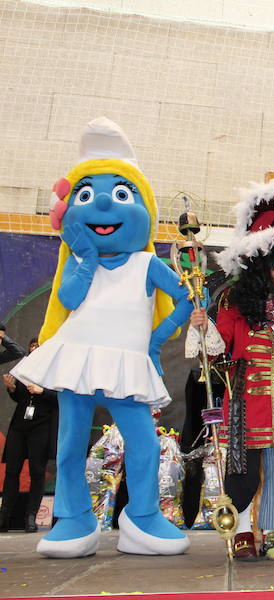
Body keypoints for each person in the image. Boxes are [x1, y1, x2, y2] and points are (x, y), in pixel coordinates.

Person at [12, 117, 192, 558]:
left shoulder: (146, 264)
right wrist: (86, 257)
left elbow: (186, 299)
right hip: (78, 356)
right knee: (70, 441)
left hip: (126, 361)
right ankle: (74, 519)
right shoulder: (77, 261)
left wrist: (156, 338)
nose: (105, 207)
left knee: (144, 442)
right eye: (87, 194)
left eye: (122, 193)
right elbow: (70, 297)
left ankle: (143, 516)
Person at [198, 178, 274, 561]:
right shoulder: (236, 300)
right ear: (262, 260)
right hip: (248, 399)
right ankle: (241, 534)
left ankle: (271, 536)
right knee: (245, 474)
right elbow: (219, 352)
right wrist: (204, 331)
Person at [1, 338, 58, 532]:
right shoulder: (24, 369)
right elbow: (20, 398)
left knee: (36, 470)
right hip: (20, 424)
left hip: (41, 426)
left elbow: (62, 398)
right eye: (32, 346)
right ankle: (4, 515)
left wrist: (42, 391)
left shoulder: (54, 371)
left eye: (38, 346)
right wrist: (12, 389)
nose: (34, 349)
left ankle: (31, 516)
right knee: (12, 470)